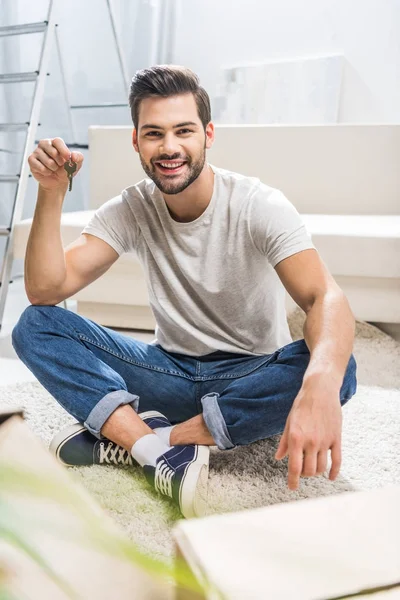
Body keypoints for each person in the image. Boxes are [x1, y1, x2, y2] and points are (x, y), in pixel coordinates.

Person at [12, 64, 357, 519]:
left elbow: (323, 299)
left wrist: (318, 384)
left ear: (208, 134)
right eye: (154, 133)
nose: (169, 147)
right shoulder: (133, 207)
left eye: (184, 131)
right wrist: (52, 192)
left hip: (249, 375)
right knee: (35, 326)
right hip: (168, 373)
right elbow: (45, 291)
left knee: (340, 368)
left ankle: (155, 441)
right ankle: (155, 450)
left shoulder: (258, 204)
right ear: (136, 141)